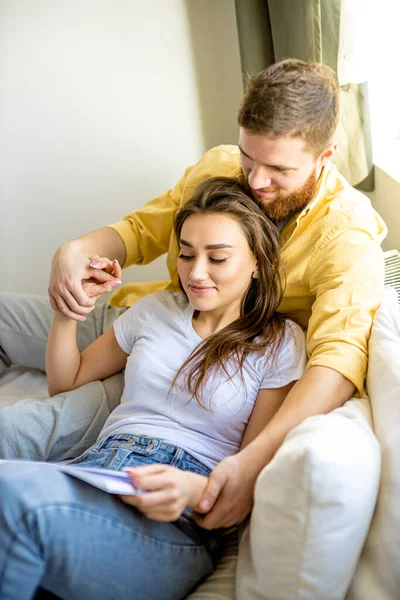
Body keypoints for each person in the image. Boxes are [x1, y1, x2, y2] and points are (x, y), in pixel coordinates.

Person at [0, 58, 386, 531]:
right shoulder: (218, 166)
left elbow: (339, 358)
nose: (255, 180)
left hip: (204, 367)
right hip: (145, 317)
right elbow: (143, 229)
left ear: (325, 155)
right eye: (249, 158)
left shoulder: (347, 234)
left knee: (36, 429)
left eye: (278, 168)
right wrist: (75, 251)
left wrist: (253, 463)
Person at [0, 177, 306, 600]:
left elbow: (255, 466)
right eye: (185, 254)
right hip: (95, 473)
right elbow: (65, 382)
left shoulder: (279, 343)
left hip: (176, 517)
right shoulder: (155, 311)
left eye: (217, 258)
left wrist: (193, 490)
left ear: (256, 261)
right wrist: (70, 310)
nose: (196, 272)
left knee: (10, 496)